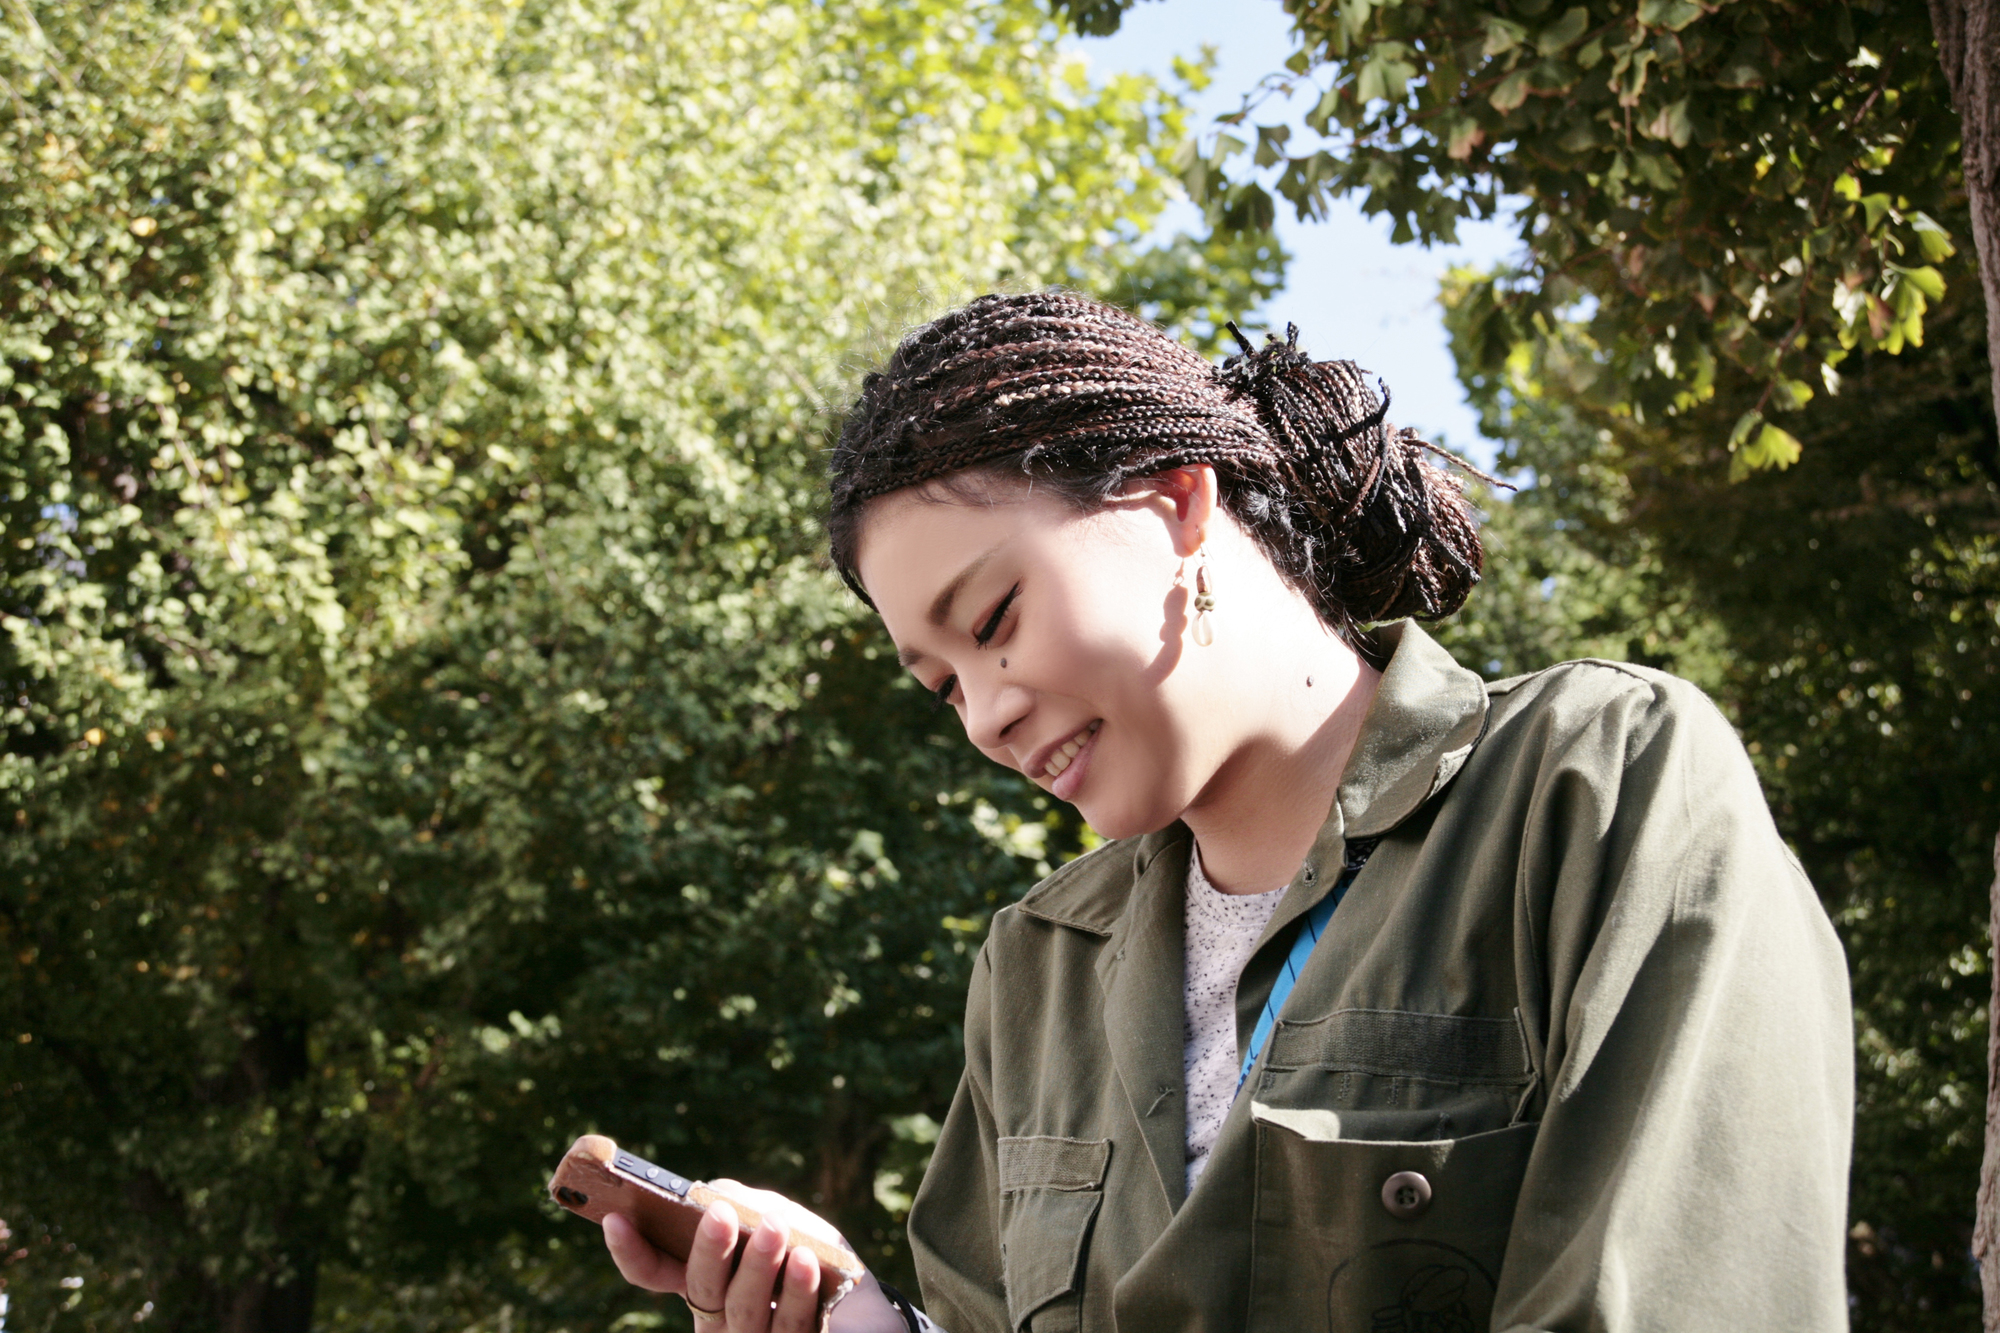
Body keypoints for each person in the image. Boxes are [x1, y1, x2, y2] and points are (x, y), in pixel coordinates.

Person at [603, 290, 1854, 1332]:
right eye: (941, 688)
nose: (981, 715)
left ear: (1174, 503)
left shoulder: (1593, 780)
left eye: (991, 623)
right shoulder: (1036, 970)